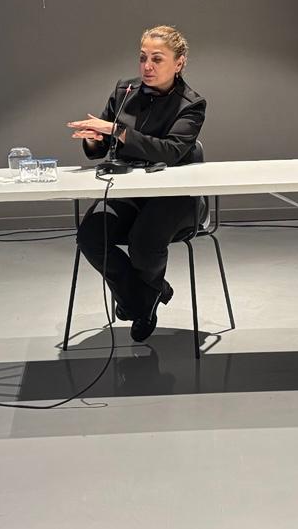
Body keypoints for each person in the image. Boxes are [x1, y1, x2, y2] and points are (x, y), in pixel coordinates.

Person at [68, 25, 206, 342]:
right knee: (91, 235)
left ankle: (138, 301)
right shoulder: (125, 91)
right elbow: (102, 147)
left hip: (175, 197)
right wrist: (93, 140)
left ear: (179, 63)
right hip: (130, 192)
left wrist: (117, 131)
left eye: (157, 59)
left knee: (144, 241)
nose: (147, 66)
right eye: (143, 58)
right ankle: (145, 297)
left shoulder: (191, 104)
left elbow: (170, 152)